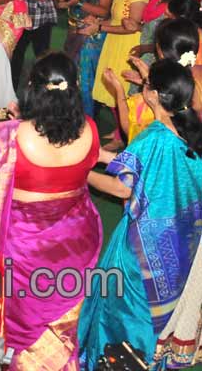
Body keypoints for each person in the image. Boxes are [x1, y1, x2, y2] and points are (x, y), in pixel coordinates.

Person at [0, 52, 102, 369]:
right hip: (75, 241)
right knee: (64, 315)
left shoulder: (6, 136)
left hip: (25, 249)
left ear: (31, 87)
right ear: (74, 87)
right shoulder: (90, 129)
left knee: (22, 318)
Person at [79, 59, 202, 369]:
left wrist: (83, 172)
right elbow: (139, 164)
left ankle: (119, 360)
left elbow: (122, 188)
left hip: (141, 247)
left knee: (124, 309)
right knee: (155, 312)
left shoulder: (154, 136)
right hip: (180, 242)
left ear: (152, 95)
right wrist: (99, 155)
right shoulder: (190, 131)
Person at [89, 0, 150, 139]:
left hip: (127, 44)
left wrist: (100, 27)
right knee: (111, 87)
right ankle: (119, 132)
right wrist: (98, 21)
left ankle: (123, 135)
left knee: (121, 88)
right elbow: (116, 19)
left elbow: (131, 28)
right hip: (113, 41)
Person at [57, 0, 112, 116]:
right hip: (73, 30)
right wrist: (62, 2)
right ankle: (70, 114)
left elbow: (104, 11)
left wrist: (78, 2)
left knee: (86, 79)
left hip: (91, 35)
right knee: (70, 75)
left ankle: (87, 120)